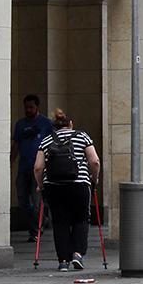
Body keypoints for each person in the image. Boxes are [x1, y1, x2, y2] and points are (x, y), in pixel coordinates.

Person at [34, 110, 100, 272]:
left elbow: (38, 167)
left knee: (60, 222)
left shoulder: (47, 140)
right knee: (81, 219)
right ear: (71, 124)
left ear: (54, 127)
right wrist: (94, 178)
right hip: (79, 184)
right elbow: (94, 161)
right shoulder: (82, 136)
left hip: (54, 186)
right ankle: (77, 253)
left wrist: (40, 185)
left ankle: (63, 261)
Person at [11, 94, 54, 242]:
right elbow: (16, 143)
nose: (28, 110)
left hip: (39, 168)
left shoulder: (46, 123)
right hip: (23, 167)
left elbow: (52, 143)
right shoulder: (20, 124)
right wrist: (11, 161)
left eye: (31, 107)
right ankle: (42, 219)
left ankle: (35, 231)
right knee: (23, 200)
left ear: (37, 107)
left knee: (37, 201)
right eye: (26, 107)